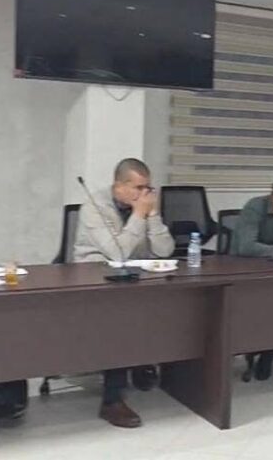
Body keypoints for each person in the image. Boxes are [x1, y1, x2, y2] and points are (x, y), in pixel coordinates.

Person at [73, 158, 174, 429]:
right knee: (119, 318)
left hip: (134, 276)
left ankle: (147, 364)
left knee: (174, 304)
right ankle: (112, 399)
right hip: (95, 275)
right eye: (139, 187)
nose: (145, 193)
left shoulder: (144, 204)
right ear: (119, 186)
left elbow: (164, 250)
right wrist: (140, 215)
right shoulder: (93, 207)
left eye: (148, 187)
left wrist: (153, 216)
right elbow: (116, 253)